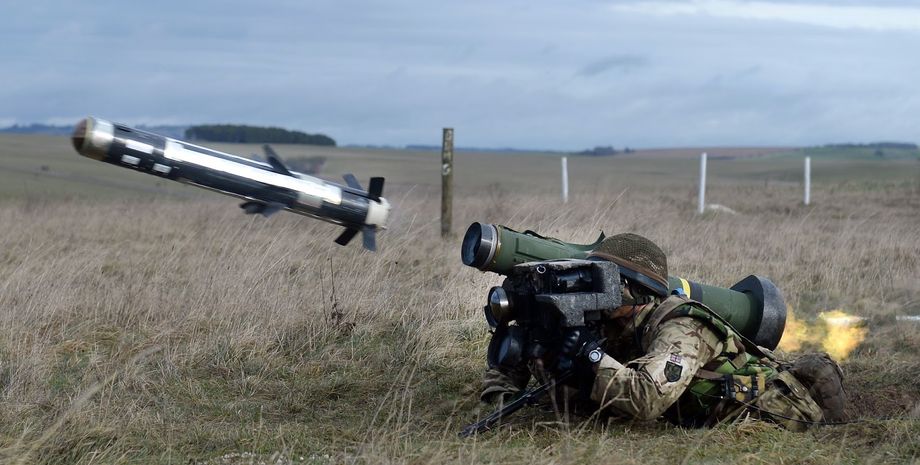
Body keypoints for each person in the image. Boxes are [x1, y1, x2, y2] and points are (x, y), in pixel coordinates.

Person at [480, 233, 847, 431]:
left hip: (777, 415)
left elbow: (645, 400)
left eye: (607, 282)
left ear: (637, 291)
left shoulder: (683, 326)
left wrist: (589, 356)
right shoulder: (612, 321)